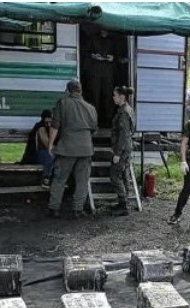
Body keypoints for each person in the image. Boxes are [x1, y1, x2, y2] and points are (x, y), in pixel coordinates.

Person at [47, 80, 98, 219]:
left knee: (60, 178)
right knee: (82, 180)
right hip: (86, 148)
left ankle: (54, 208)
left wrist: (50, 144)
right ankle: (78, 209)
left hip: (67, 147)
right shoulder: (91, 108)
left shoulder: (62, 103)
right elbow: (94, 129)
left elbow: (55, 126)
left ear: (68, 91)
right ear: (80, 91)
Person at [84, 30, 121, 126]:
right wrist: (93, 55)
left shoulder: (113, 40)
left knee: (108, 96)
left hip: (108, 72)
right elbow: (85, 52)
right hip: (94, 72)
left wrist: (113, 58)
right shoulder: (93, 38)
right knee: (94, 96)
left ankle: (108, 120)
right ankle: (93, 120)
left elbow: (119, 56)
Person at [109, 86, 136, 216]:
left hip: (123, 149)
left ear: (122, 96)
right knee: (124, 175)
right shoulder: (128, 110)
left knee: (115, 175)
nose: (113, 97)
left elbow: (124, 135)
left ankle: (124, 204)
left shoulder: (123, 112)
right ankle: (123, 203)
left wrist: (118, 153)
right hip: (127, 148)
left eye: (115, 95)